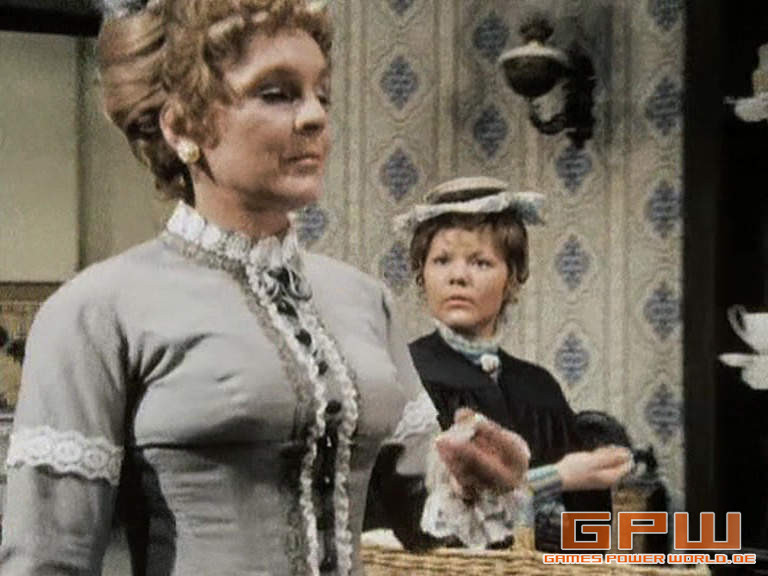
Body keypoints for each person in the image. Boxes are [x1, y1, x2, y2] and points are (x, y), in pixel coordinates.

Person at [0, 3, 537, 575]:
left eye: (322, 95)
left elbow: (419, 516)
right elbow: (47, 560)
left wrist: (473, 476)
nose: (315, 117)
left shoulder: (364, 301)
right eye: (277, 93)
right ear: (182, 127)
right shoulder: (96, 310)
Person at [371, 176, 629, 551]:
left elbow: (588, 536)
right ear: (421, 274)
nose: (457, 276)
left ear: (511, 278)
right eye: (441, 260)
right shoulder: (404, 377)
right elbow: (421, 525)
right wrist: (555, 478)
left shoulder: (538, 388)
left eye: (480, 262)